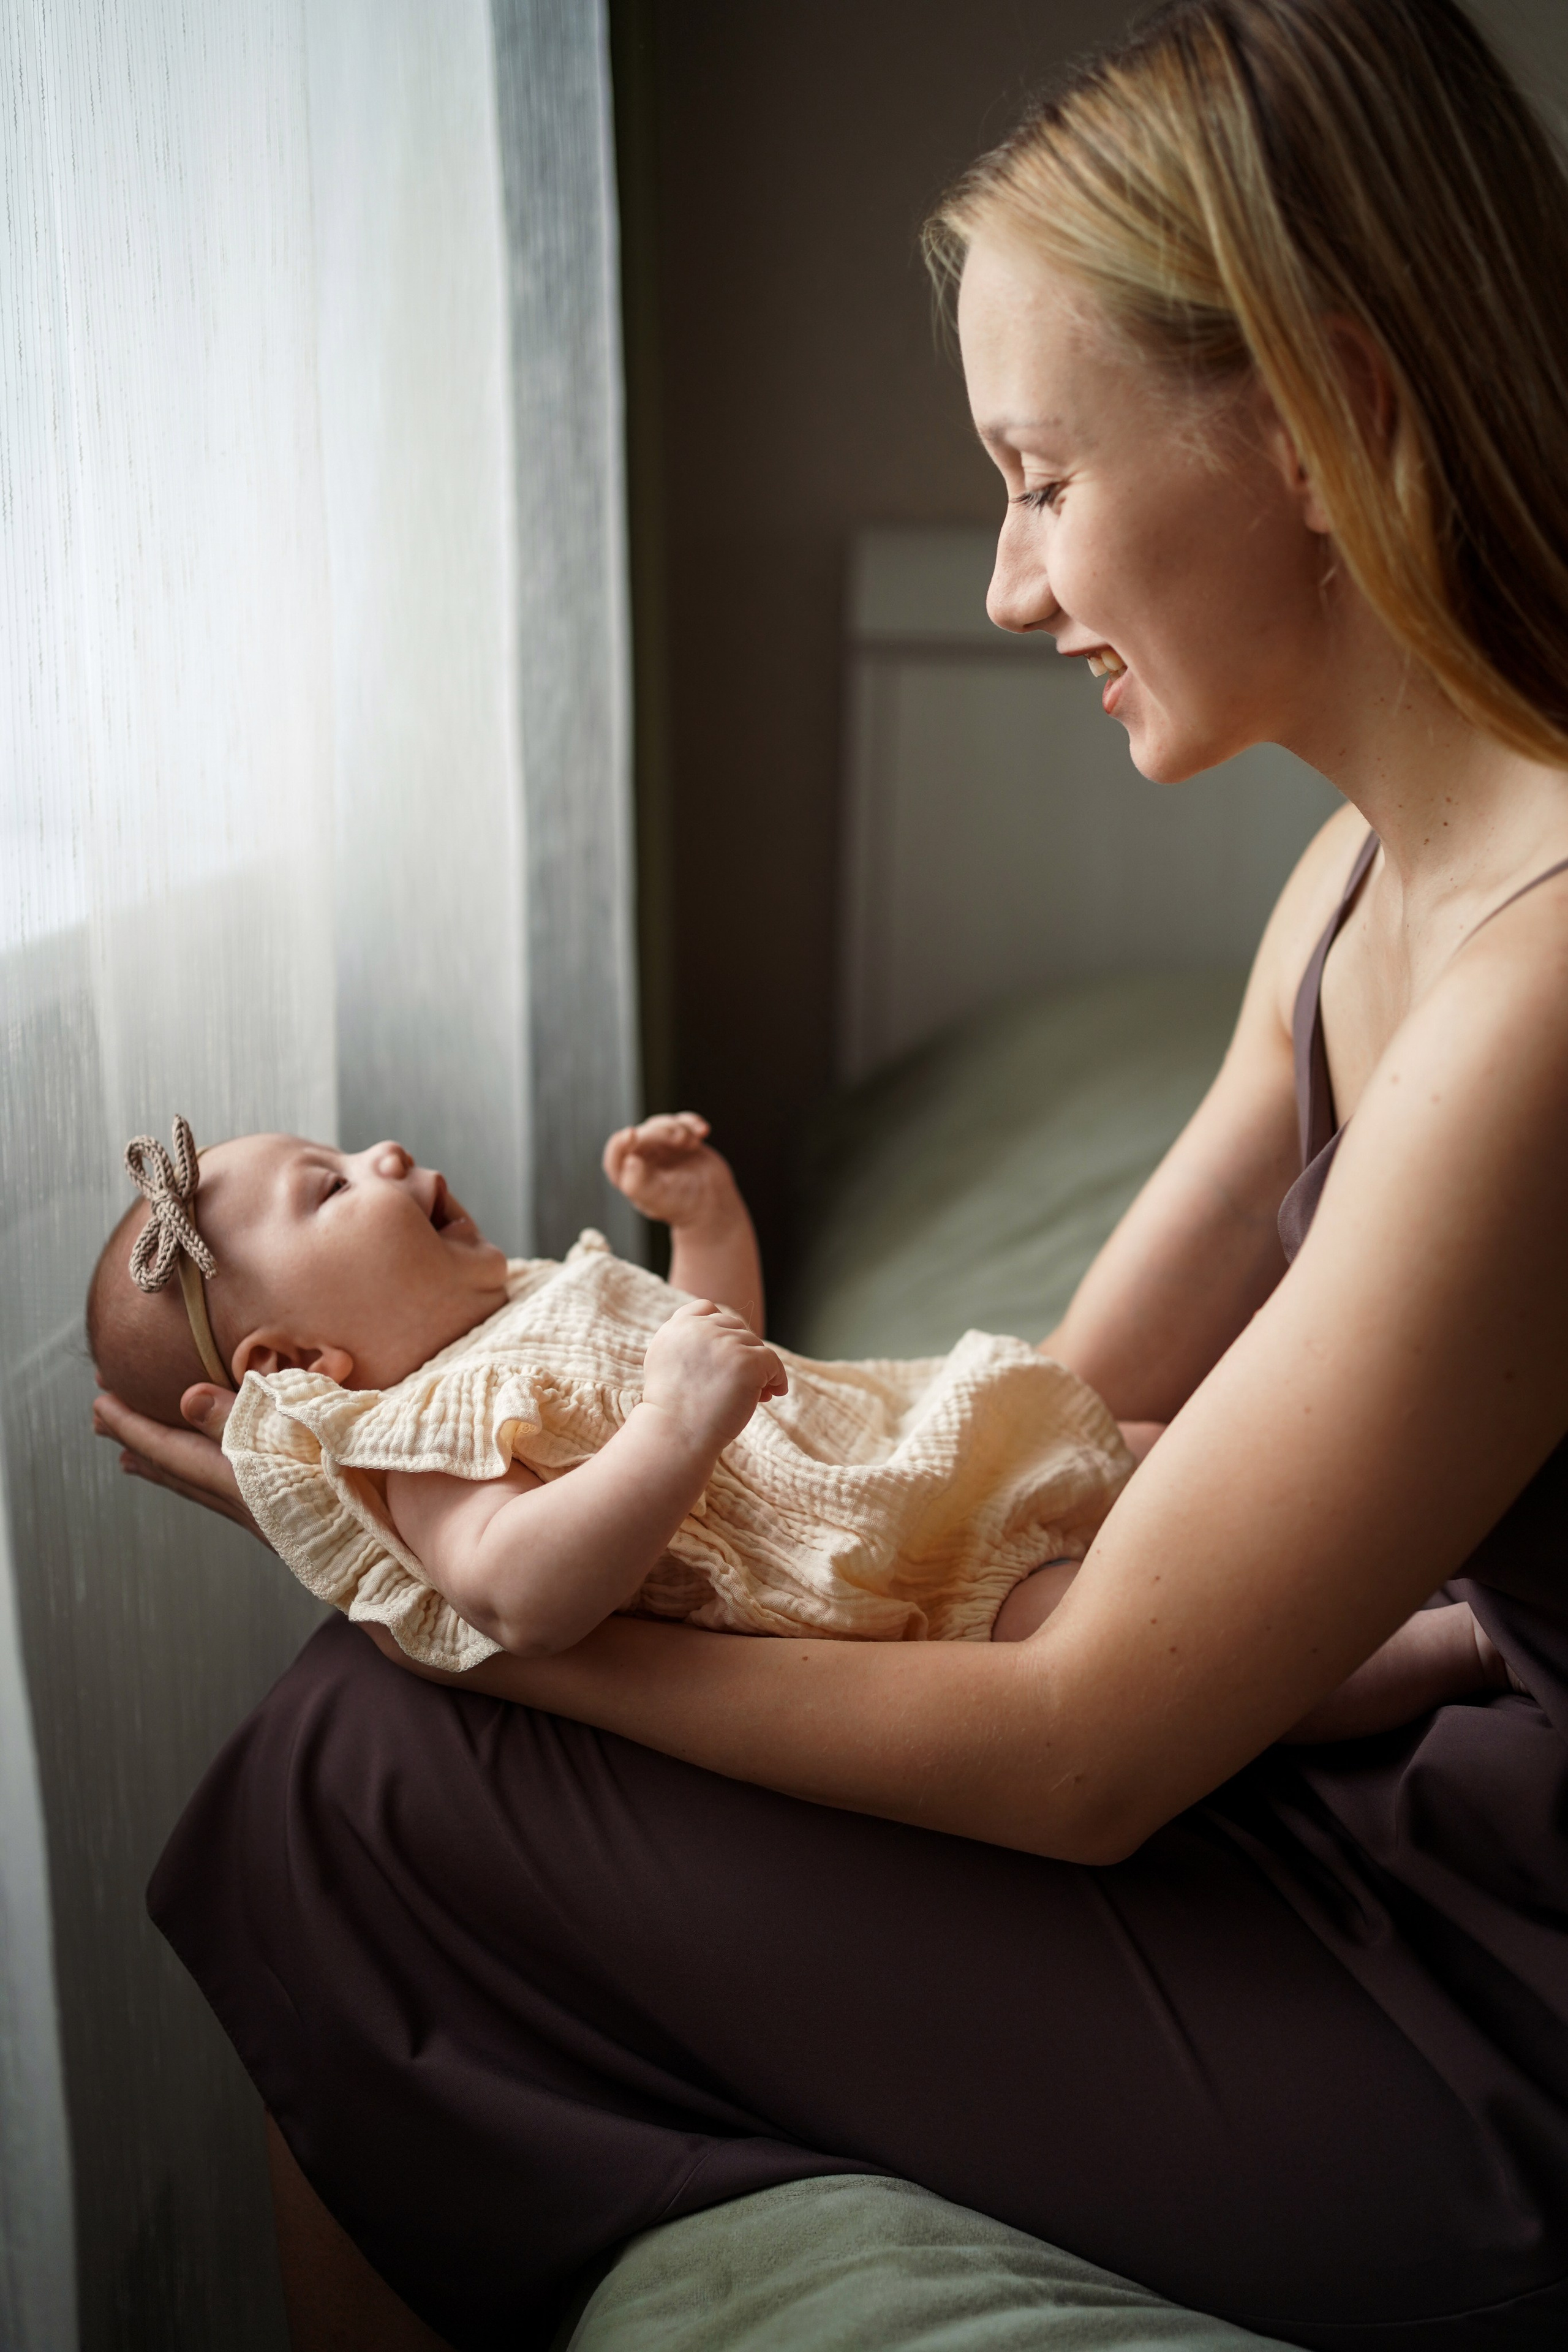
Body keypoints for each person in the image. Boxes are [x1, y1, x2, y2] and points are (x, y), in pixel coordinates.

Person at [92, 2, 1568, 2345]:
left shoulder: (1538, 1005)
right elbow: (1024, 1433)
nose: (1005, 585)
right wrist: (559, 1501)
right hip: (1402, 1843)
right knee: (370, 1753)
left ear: (1324, 419)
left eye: (1040, 476)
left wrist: (460, 1614)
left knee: (362, 1778)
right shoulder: (1363, 889)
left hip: (1510, 2027)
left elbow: (1085, 1748)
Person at [89, 1114, 1508, 1714]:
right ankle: (1462, 1646)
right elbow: (520, 1596)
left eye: (343, 1143)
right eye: (332, 1187)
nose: (382, 1150)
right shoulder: (417, 1444)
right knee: (1197, 1658)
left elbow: (723, 1350)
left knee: (1188, 1463)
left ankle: (1426, 1526)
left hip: (913, 1461)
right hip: (898, 1588)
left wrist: (706, 1225)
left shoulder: (522, 1303)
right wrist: (671, 1433)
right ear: (304, 1365)